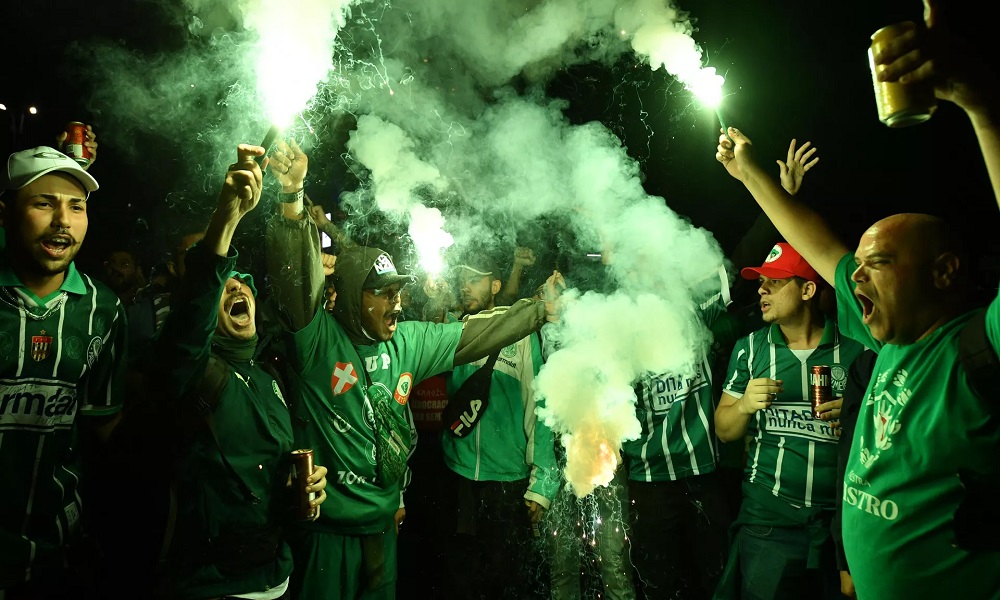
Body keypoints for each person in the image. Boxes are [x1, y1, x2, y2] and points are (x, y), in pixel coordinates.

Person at [713, 2, 1000, 597]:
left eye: (881, 263)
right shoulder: (882, 337)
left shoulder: (977, 347)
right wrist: (750, 175)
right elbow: (814, 241)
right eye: (858, 266)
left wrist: (979, 103)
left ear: (944, 273)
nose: (857, 277)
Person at [263, 140, 563, 600]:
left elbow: (478, 333)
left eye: (397, 290)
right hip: (327, 534)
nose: (396, 301)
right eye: (381, 292)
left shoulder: (408, 340)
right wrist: (292, 195)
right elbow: (294, 278)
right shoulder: (316, 340)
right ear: (345, 297)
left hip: (383, 529)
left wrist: (538, 310)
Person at [124, 143, 326, 600]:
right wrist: (228, 217)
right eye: (225, 283)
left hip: (277, 578)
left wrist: (307, 492)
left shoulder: (268, 375)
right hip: (212, 587)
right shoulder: (188, 367)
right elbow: (193, 308)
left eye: (243, 284)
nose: (236, 285)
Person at [0, 146, 126, 598]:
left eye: (77, 206)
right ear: (6, 214)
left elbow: (106, 428)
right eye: (43, 203)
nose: (62, 221)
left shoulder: (104, 310)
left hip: (57, 558)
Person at [713, 244, 864, 600]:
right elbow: (724, 429)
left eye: (775, 283)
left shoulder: (857, 350)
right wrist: (745, 405)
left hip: (838, 526)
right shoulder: (750, 349)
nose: (761, 290)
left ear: (808, 290)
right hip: (768, 522)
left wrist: (855, 419)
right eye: (761, 282)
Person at [440, 254, 559, 599]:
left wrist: (542, 483)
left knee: (505, 578)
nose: (466, 284)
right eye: (462, 278)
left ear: (495, 286)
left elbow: (538, 407)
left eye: (475, 279)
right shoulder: (455, 330)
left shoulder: (520, 334)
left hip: (505, 482)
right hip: (458, 474)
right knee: (460, 576)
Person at [625, 264, 734, 600]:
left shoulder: (694, 309)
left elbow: (726, 266)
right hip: (648, 477)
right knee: (658, 580)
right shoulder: (621, 325)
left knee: (714, 573)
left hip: (702, 469)